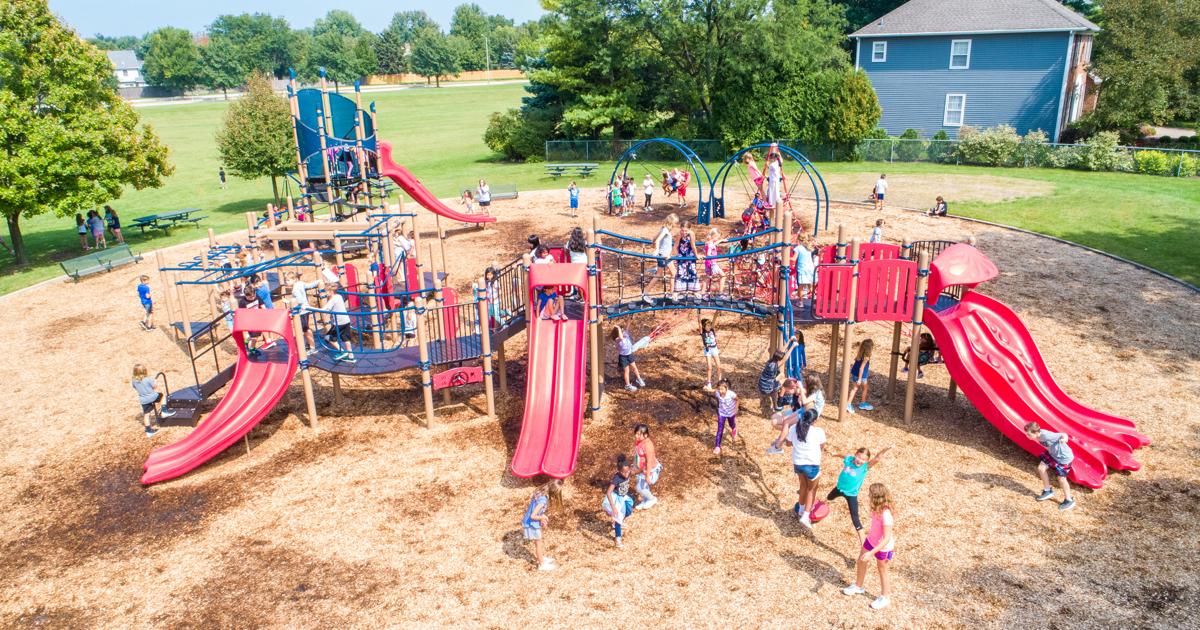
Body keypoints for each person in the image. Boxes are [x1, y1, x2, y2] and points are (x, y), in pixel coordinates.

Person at [776, 391, 827, 530]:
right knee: (812, 489)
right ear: (814, 420)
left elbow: (788, 443)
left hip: (798, 463)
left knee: (803, 485)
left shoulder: (795, 428)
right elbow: (822, 446)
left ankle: (801, 509)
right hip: (812, 464)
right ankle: (805, 515)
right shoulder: (818, 432)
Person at [843, 483, 896, 610]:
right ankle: (858, 586)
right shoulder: (876, 508)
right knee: (861, 561)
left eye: (870, 494)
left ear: (876, 497)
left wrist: (871, 553)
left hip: (883, 547)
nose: (868, 496)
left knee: (882, 570)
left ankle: (885, 597)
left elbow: (886, 538)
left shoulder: (886, 515)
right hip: (870, 541)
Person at [827, 447, 892, 544]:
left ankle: (863, 542)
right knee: (828, 498)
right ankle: (820, 505)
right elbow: (843, 455)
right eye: (859, 457)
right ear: (855, 454)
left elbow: (877, 458)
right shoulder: (849, 459)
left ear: (866, 461)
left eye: (864, 460)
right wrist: (835, 454)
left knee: (855, 518)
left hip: (851, 495)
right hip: (839, 489)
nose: (860, 461)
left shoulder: (864, 467)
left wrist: (884, 450)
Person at [1024, 422, 1076, 510]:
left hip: (1064, 458)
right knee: (1041, 468)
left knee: (1061, 479)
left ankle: (1069, 500)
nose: (1027, 436)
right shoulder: (1038, 436)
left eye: (1029, 434)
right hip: (1053, 455)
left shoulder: (1046, 435)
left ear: (1036, 433)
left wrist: (1065, 439)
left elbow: (1063, 434)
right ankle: (1047, 491)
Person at [522, 479, 563, 571]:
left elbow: (533, 508)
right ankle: (542, 564)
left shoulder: (539, 492)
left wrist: (542, 515)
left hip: (532, 522)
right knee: (538, 544)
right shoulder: (543, 501)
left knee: (539, 540)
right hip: (531, 523)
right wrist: (542, 518)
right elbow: (533, 516)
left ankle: (541, 557)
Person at [758, 336, 799, 412]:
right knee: (784, 382)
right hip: (767, 387)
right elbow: (785, 358)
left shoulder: (770, 361)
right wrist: (793, 346)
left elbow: (781, 351)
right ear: (778, 359)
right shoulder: (775, 366)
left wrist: (789, 340)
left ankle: (775, 403)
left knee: (782, 375)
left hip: (762, 383)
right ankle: (779, 402)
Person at [131, 364, 174, 437]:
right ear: (145, 371)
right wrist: (155, 381)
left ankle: (148, 431)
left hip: (143, 400)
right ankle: (164, 411)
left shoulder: (134, 381)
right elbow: (154, 387)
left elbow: (135, 388)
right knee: (162, 396)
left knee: (146, 415)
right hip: (152, 397)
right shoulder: (148, 379)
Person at [602, 454, 635, 547]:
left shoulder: (628, 472)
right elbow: (608, 492)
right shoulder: (617, 478)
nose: (626, 474)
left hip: (624, 497)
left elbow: (634, 471)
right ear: (619, 471)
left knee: (628, 511)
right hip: (616, 498)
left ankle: (617, 522)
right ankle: (618, 538)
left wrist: (644, 470)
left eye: (627, 472)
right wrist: (613, 507)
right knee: (618, 518)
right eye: (623, 472)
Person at [532, 245, 566, 321]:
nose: (546, 254)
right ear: (540, 253)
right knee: (547, 299)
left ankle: (562, 313)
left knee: (558, 297)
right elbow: (538, 270)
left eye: (547, 252)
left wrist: (552, 262)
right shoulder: (538, 261)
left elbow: (554, 262)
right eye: (544, 253)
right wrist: (538, 317)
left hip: (548, 279)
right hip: (542, 281)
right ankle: (552, 314)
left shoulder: (549, 257)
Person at [325, 283, 355, 363]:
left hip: (339, 323)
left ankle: (342, 351)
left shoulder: (332, 300)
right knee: (346, 338)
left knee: (329, 338)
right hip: (346, 321)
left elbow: (324, 310)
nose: (325, 294)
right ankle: (351, 356)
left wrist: (308, 308)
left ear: (331, 292)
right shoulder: (339, 296)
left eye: (326, 292)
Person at [611, 325, 647, 392]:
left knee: (634, 368)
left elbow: (627, 327)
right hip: (623, 357)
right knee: (627, 371)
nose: (623, 332)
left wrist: (629, 319)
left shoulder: (625, 334)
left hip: (629, 354)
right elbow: (621, 337)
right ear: (618, 333)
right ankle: (628, 386)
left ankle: (639, 379)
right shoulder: (617, 339)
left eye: (622, 331)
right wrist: (618, 328)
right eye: (621, 331)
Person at [633, 424, 661, 510]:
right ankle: (645, 500)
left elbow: (649, 461)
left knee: (639, 487)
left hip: (650, 469)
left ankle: (652, 499)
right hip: (641, 469)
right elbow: (637, 455)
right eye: (636, 433)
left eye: (638, 434)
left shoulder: (648, 445)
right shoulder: (639, 441)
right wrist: (634, 465)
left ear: (645, 435)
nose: (636, 436)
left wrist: (648, 475)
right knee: (642, 484)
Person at [290, 271, 320, 348]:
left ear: (294, 279)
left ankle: (312, 346)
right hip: (305, 309)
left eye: (288, 280)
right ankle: (309, 344)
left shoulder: (295, 289)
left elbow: (299, 300)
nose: (287, 282)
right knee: (305, 328)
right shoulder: (300, 283)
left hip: (302, 311)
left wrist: (291, 302)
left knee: (305, 329)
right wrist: (318, 281)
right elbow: (310, 285)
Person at [845, 339, 875, 414]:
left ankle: (848, 404)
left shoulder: (860, 354)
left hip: (854, 373)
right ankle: (863, 403)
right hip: (861, 376)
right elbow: (861, 368)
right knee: (865, 388)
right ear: (869, 348)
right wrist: (860, 379)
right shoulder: (866, 357)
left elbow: (856, 365)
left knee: (854, 389)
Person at [651, 214, 679, 292]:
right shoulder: (665, 230)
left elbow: (654, 239)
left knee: (661, 274)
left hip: (664, 255)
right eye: (675, 223)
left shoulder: (663, 229)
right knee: (673, 273)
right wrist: (656, 249)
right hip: (664, 256)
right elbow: (657, 240)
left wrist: (655, 244)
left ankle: (671, 292)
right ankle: (671, 293)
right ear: (671, 222)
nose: (676, 225)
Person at [712, 379, 738, 456]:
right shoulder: (717, 393)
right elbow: (717, 398)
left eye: (722, 389)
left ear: (727, 388)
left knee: (731, 424)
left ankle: (734, 428)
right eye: (719, 389)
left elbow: (737, 400)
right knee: (719, 429)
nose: (720, 391)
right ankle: (717, 446)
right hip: (722, 413)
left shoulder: (731, 394)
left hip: (731, 413)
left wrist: (736, 408)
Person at [674, 222, 699, 296]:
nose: (684, 232)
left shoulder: (691, 234)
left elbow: (693, 245)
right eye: (682, 230)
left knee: (692, 270)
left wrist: (696, 255)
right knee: (681, 272)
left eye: (686, 230)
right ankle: (678, 291)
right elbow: (675, 246)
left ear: (689, 229)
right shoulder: (679, 235)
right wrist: (676, 256)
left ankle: (695, 290)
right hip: (681, 254)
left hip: (690, 254)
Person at [699, 317, 722, 390]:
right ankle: (709, 383)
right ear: (704, 327)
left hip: (714, 349)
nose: (709, 327)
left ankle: (720, 382)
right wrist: (698, 314)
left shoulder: (712, 330)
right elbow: (699, 323)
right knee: (709, 367)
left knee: (719, 366)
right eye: (707, 326)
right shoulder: (703, 333)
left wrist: (717, 312)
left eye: (709, 325)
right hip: (708, 350)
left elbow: (714, 320)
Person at [703, 228, 726, 295]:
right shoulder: (710, 244)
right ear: (714, 236)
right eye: (717, 237)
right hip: (712, 263)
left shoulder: (709, 242)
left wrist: (721, 240)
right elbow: (708, 254)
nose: (717, 239)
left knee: (708, 277)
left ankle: (703, 293)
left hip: (709, 263)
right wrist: (713, 257)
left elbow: (714, 244)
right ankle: (720, 293)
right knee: (722, 276)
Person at [794, 234, 816, 303]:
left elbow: (794, 259)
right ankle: (814, 301)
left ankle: (801, 302)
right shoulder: (808, 248)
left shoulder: (798, 248)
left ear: (798, 239)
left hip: (802, 269)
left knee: (801, 286)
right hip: (810, 268)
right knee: (810, 285)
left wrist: (784, 257)